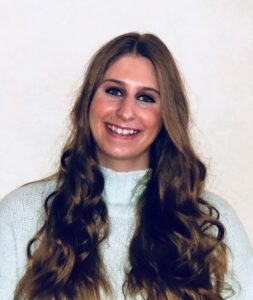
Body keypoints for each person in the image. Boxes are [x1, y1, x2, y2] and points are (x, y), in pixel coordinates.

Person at [0, 32, 252, 300]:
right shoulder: (21, 213)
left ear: (166, 116)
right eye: (114, 91)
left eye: (146, 97)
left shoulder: (209, 221)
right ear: (88, 101)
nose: (125, 111)